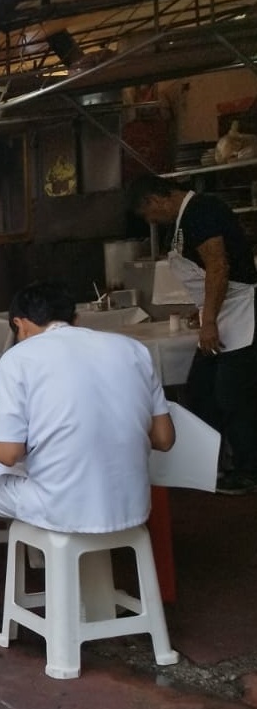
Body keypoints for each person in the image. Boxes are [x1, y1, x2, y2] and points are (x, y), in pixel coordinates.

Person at [0, 283, 177, 638]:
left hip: (59, 505)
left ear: (19, 324)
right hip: (130, 505)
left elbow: (8, 454)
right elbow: (164, 439)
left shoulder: (20, 358)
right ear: (75, 319)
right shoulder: (132, 349)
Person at [129, 173, 257, 494]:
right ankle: (210, 465)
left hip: (241, 312)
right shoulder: (182, 222)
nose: (151, 221)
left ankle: (249, 471)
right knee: (201, 391)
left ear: (155, 200)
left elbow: (218, 266)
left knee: (233, 395)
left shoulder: (201, 210)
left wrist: (209, 319)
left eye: (148, 214)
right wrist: (201, 308)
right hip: (219, 313)